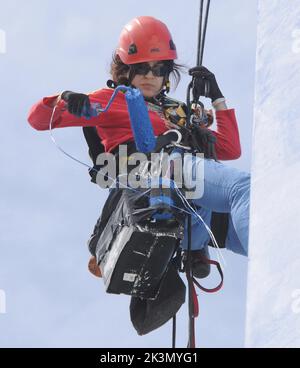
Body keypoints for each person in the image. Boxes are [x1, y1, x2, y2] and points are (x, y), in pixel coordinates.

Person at [28, 16, 250, 280]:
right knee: (243, 189)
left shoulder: (176, 113)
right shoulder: (111, 101)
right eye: (142, 67)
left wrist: (217, 97)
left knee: (260, 219)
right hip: (161, 174)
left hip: (197, 202)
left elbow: (229, 148)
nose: (149, 75)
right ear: (126, 70)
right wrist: (62, 98)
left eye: (159, 69)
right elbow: (38, 120)